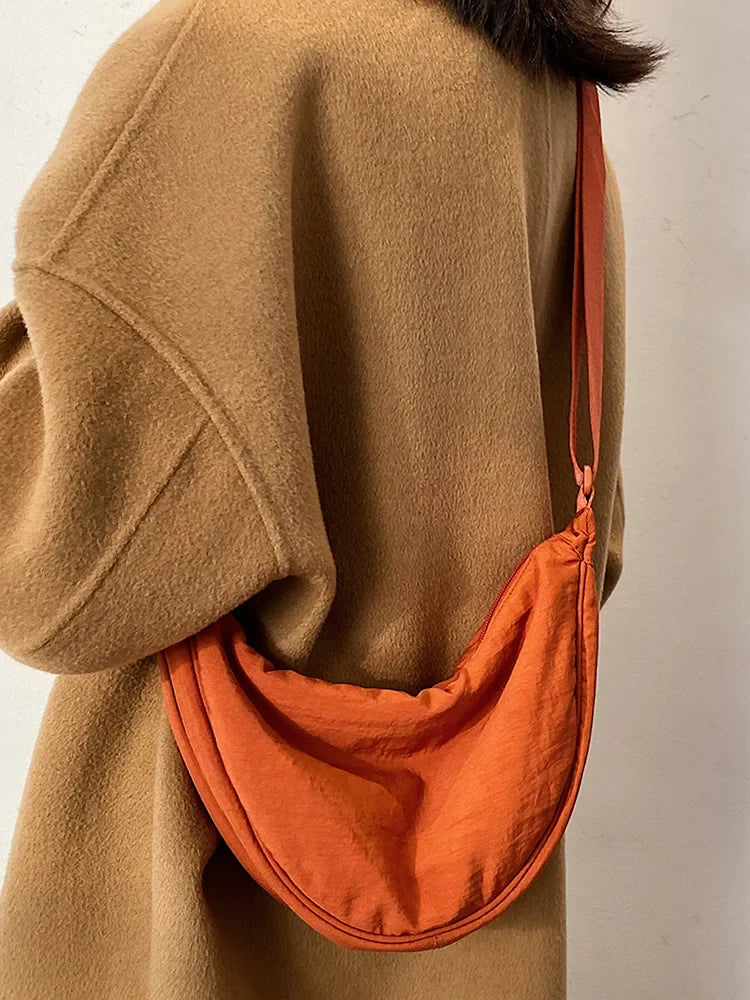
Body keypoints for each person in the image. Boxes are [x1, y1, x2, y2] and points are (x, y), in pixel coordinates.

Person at [0, 0, 662, 997]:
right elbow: (591, 536)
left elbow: (50, 572)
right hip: (479, 898)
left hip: (197, 865)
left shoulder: (224, 54)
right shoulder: (544, 76)